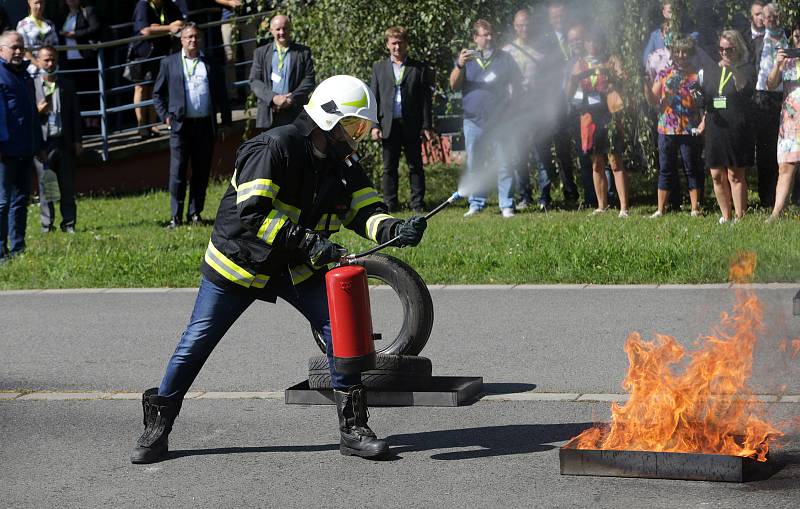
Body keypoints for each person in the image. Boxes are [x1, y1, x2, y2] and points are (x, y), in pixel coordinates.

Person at [129, 75, 428, 463]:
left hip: (296, 267)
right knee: (196, 344)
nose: (359, 135)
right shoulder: (274, 146)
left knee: (339, 333)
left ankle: (353, 430)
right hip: (241, 263)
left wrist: (393, 228)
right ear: (329, 119)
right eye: (354, 126)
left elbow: (363, 211)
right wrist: (310, 243)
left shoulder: (343, 162)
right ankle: (158, 426)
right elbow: (253, 214)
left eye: (362, 127)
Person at [153, 22, 231, 228]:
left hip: (205, 126)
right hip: (180, 126)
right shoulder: (169, 63)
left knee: (201, 172)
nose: (193, 40)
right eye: (189, 37)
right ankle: (176, 216)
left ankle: (196, 213)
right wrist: (165, 116)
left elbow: (222, 95)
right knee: (177, 172)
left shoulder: (211, 64)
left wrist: (226, 121)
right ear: (181, 39)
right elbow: (157, 94)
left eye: (196, 37)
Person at [450, 19, 522, 218]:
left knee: (504, 161)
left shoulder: (504, 58)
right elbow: (453, 85)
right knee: (476, 163)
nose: (489, 38)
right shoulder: (466, 60)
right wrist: (459, 65)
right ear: (475, 38)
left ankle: (506, 204)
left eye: (491, 34)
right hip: (473, 120)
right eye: (485, 35)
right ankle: (476, 203)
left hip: (501, 120)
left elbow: (517, 83)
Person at [566, 28, 630, 218]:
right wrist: (575, 77)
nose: (593, 45)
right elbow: (568, 93)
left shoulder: (611, 60)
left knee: (615, 161)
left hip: (609, 114)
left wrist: (615, 78)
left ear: (602, 43)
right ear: (585, 43)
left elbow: (625, 80)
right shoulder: (579, 64)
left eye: (596, 41)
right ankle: (601, 206)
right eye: (589, 41)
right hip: (589, 117)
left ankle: (624, 207)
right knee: (596, 163)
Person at [369, 26, 433, 213]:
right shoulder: (379, 68)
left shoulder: (418, 68)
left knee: (415, 165)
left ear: (407, 44)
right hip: (388, 124)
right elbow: (374, 97)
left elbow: (425, 101)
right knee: (389, 167)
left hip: (411, 124)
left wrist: (427, 125)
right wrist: (374, 125)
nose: (397, 47)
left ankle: (417, 204)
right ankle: (390, 203)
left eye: (400, 42)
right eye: (393, 43)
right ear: (388, 45)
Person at [645, 35, 704, 218]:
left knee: (691, 167)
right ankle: (660, 209)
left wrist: (703, 122)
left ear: (691, 53)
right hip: (667, 127)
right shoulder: (664, 74)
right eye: (678, 51)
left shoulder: (697, 76)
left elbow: (705, 103)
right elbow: (654, 100)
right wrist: (646, 84)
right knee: (666, 168)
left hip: (689, 127)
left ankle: (695, 208)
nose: (681, 55)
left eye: (685, 52)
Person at [701, 30, 754, 224]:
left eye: (729, 50)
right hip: (716, 125)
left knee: (734, 173)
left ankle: (740, 217)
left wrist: (733, 70)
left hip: (736, 126)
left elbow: (746, 90)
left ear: (738, 49)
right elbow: (709, 99)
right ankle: (726, 215)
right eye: (721, 49)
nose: (724, 53)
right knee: (716, 174)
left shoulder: (746, 68)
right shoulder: (712, 70)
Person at [0, 31, 41, 261]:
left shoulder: (23, 75)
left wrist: (39, 144)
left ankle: (18, 248)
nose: (18, 51)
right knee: (2, 202)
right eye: (13, 47)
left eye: (21, 47)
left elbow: (32, 114)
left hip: (25, 149)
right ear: (1, 50)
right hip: (5, 152)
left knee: (20, 202)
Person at [534, 0, 579, 209]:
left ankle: (571, 193)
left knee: (565, 152)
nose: (558, 20)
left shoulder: (575, 35)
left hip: (573, 101)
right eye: (554, 17)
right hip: (549, 103)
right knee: (544, 151)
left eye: (561, 16)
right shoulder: (543, 41)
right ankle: (545, 196)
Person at [33, 46, 82, 234]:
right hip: (44, 144)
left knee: (67, 186)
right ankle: (47, 225)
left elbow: (75, 115)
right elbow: (26, 118)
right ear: (38, 61)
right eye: (46, 60)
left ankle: (69, 224)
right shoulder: (32, 86)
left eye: (53, 59)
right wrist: (38, 111)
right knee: (47, 187)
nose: (50, 63)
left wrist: (78, 140)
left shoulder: (66, 85)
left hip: (64, 141)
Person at [502, 8, 545, 211]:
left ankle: (545, 197)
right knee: (519, 156)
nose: (524, 28)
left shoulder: (542, 49)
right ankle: (525, 197)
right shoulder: (506, 51)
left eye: (527, 24)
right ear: (515, 27)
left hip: (537, 110)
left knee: (541, 154)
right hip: (515, 112)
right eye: (520, 25)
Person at [249, 14, 315, 131]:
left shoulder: (303, 52)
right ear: (271, 31)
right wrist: (273, 98)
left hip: (295, 113)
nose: (282, 32)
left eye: (285, 28)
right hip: (269, 114)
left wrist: (292, 98)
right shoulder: (260, 53)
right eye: (278, 29)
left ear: (290, 29)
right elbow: (254, 81)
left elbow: (309, 80)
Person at [130, 0, 184, 140]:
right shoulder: (143, 5)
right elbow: (145, 30)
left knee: (155, 88)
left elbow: (180, 22)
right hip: (142, 54)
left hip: (160, 53)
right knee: (141, 88)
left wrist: (159, 27)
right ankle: (142, 126)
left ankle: (152, 124)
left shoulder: (168, 5)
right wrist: (168, 28)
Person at [752, 2, 788, 209]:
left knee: (786, 149)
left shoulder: (790, 38)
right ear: (762, 20)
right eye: (768, 17)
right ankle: (766, 197)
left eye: (775, 16)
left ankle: (788, 195)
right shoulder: (757, 42)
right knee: (765, 149)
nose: (771, 20)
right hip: (763, 99)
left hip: (787, 96)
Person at [765, 34, 799, 221]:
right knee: (785, 168)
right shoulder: (788, 61)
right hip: (791, 122)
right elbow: (770, 85)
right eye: (797, 37)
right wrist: (778, 64)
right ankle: (777, 213)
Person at [58, 0, 101, 131]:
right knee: (78, 91)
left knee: (91, 90)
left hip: (85, 58)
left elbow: (95, 28)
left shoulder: (87, 11)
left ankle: (94, 122)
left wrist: (75, 34)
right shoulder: (63, 16)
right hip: (69, 60)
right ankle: (83, 123)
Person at [214, 0, 261, 98]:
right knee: (230, 57)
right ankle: (231, 94)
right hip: (228, 19)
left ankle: (251, 93)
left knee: (251, 56)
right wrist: (229, 2)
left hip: (249, 17)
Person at [16, 0, 59, 70]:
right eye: (36, 3)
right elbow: (24, 49)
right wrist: (39, 66)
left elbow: (56, 46)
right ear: (29, 3)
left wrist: (51, 65)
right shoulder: (23, 24)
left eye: (41, 3)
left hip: (50, 68)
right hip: (32, 69)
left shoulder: (50, 24)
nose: (39, 6)